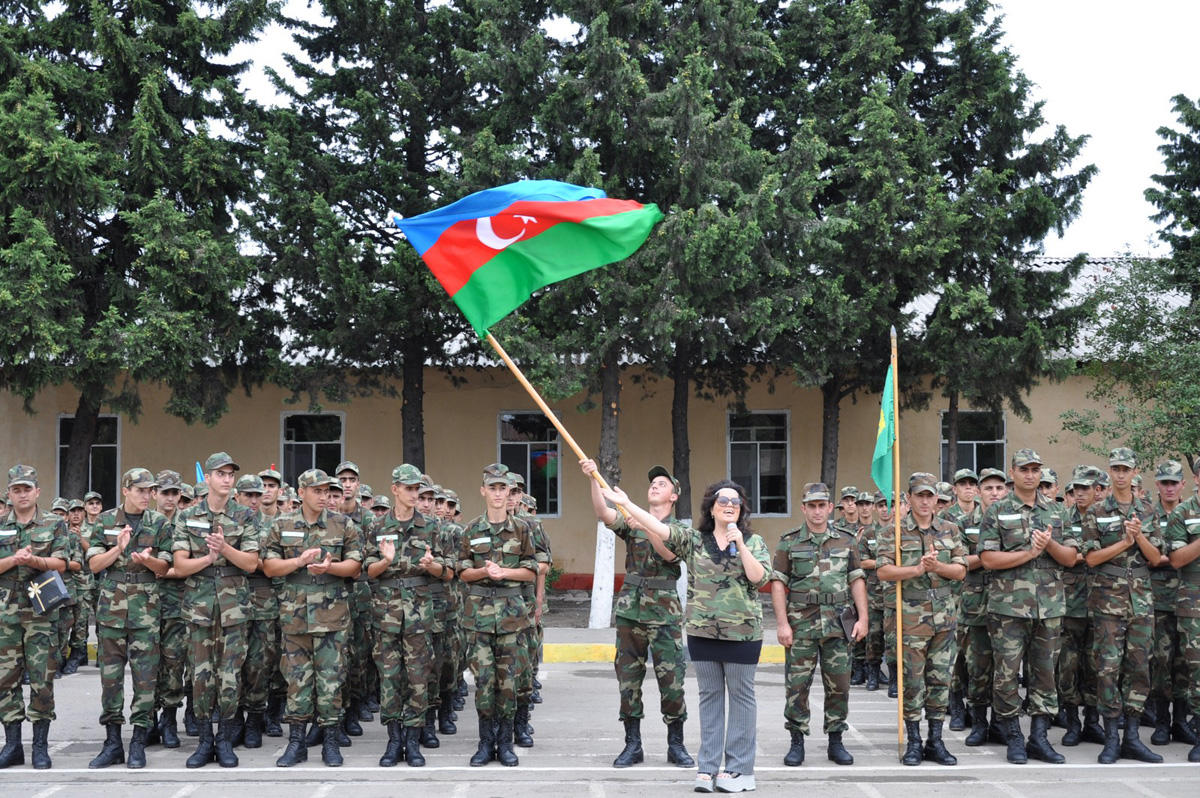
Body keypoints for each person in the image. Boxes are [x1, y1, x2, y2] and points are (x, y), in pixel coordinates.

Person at [602, 480, 771, 794]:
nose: (729, 505)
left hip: (743, 636)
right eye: (723, 500)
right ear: (711, 506)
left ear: (741, 508)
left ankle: (739, 771)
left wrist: (741, 544)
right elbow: (659, 528)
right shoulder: (694, 540)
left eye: (736, 501)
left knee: (742, 702)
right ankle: (707, 768)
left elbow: (758, 577)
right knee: (709, 701)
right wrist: (625, 503)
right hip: (702, 633)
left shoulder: (754, 541)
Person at [580, 459, 695, 769]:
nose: (654, 485)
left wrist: (640, 520)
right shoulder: (630, 519)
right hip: (631, 610)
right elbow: (603, 513)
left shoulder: (679, 528)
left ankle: (676, 744)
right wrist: (594, 478)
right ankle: (633, 744)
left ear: (673, 496)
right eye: (652, 482)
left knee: (671, 681)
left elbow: (668, 552)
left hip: (664, 614)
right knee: (628, 680)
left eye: (662, 483)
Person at [978, 449, 1078, 765]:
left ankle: (1039, 737)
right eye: (1024, 469)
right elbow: (988, 559)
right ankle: (1013, 737)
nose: (1031, 474)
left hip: (1048, 607)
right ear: (1014, 472)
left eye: (1036, 469)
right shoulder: (997, 511)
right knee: (1006, 675)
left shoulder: (1058, 512)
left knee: (1045, 674)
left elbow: (1071, 558)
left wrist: (1049, 545)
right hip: (1008, 609)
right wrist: (1029, 554)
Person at [264, 469, 363, 767]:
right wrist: (299, 561)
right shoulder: (281, 524)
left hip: (332, 615)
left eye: (327, 491)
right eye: (317, 491)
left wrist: (329, 568)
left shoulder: (343, 524)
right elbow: (269, 566)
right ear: (301, 491)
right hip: (294, 615)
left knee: (331, 680)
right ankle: (297, 742)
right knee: (296, 680)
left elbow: (355, 567)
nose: (323, 496)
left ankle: (330, 741)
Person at [172, 452, 261, 768]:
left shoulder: (245, 516)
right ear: (206, 478)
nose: (226, 479)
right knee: (200, 676)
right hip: (200, 607)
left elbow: (251, 563)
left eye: (230, 474)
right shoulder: (187, 516)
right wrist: (208, 560)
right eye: (220, 473)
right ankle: (204, 741)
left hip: (233, 607)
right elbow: (180, 565)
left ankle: (224, 740)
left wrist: (224, 549)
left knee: (229, 676)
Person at [771, 482, 868, 767]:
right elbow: (778, 584)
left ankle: (835, 741)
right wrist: (781, 624)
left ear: (829, 507)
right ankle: (797, 741)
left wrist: (863, 618)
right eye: (811, 506)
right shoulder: (789, 541)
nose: (816, 511)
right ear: (803, 508)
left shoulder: (846, 540)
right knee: (797, 685)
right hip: (801, 625)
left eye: (821, 505)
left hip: (838, 625)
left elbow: (857, 579)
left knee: (839, 685)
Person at [876, 472, 967, 767]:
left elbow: (961, 570)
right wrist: (916, 570)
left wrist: (937, 566)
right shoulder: (895, 531)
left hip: (944, 620)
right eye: (920, 496)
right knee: (913, 682)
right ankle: (914, 741)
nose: (926, 501)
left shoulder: (949, 529)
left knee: (940, 680)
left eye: (931, 496)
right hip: (910, 620)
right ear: (909, 498)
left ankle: (935, 741)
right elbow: (884, 571)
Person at [1080, 447, 1164, 764]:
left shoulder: (1147, 509)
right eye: (1115, 468)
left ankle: (1132, 737)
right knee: (1107, 668)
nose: (1120, 474)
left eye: (1125, 469)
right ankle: (1111, 738)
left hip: (1141, 596)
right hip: (1107, 597)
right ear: (1109, 472)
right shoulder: (1096, 511)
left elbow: (1156, 558)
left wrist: (1139, 537)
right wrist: (1124, 543)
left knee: (1140, 667)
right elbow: (1090, 558)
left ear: (1133, 472)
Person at [86, 468, 172, 769]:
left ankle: (138, 741)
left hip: (146, 610)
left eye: (150, 491)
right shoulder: (107, 521)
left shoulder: (159, 522)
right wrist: (118, 550)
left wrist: (148, 560)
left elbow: (165, 568)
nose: (147, 496)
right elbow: (95, 564)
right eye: (140, 490)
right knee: (110, 679)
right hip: (112, 608)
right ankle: (112, 743)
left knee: (145, 679)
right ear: (126, 490)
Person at [363, 464, 449, 767]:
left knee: (417, 679)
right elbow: (366, 572)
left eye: (417, 489)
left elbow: (449, 571)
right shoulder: (376, 527)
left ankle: (413, 742)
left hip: (418, 614)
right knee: (389, 679)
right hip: (386, 614)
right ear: (395, 489)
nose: (414, 494)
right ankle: (393, 740)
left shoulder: (432, 527)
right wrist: (385, 561)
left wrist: (432, 566)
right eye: (409, 488)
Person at [458, 464, 538, 768]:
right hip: (478, 618)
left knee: (508, 684)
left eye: (503, 488)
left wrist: (503, 572)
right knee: (484, 682)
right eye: (492, 488)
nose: (497, 494)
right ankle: (484, 743)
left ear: (510, 493)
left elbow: (531, 571)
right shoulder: (471, 530)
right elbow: (462, 572)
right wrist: (482, 572)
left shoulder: (522, 529)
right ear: (483, 491)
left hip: (511, 618)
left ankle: (505, 743)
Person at [0, 465, 69, 770]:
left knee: (42, 679)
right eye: (17, 490)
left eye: (27, 489)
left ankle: (40, 746)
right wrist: (13, 560)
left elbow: (64, 563)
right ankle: (13, 745)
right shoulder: (1, 524)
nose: (22, 494)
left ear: (37, 492)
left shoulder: (54, 524)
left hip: (42, 613)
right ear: (9, 494)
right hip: (7, 613)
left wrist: (35, 560)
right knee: (5, 680)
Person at [1146, 460, 1197, 747]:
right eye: (1164, 482)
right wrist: (1171, 556)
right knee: (1161, 662)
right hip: (1159, 599)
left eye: (1173, 482)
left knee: (1185, 664)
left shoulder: (1189, 512)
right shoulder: (1148, 513)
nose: (1169, 487)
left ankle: (1181, 721)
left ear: (1182, 484)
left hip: (1190, 598)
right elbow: (1147, 556)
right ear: (1157, 485)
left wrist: (1165, 555)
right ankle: (1162, 722)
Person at [1058, 466, 1105, 747]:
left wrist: (1086, 556)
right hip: (1071, 603)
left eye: (1086, 488)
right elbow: (1066, 555)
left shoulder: (1106, 518)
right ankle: (1072, 722)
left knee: (1096, 664)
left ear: (1097, 490)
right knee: (1068, 666)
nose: (1080, 493)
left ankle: (1092, 721)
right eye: (1076, 489)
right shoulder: (1063, 518)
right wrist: (1088, 555)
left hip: (1101, 602)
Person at [1165, 457, 1200, 762]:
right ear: (1197, 478)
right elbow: (1176, 560)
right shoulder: (1182, 513)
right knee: (1197, 670)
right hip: (1194, 601)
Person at [151, 470, 187, 748]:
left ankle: (171, 719)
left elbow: (191, 564)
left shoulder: (187, 524)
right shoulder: (146, 524)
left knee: (174, 663)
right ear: (155, 494)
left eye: (175, 493)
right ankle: (149, 719)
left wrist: (167, 571)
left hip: (178, 603)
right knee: (148, 664)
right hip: (146, 604)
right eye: (166, 493)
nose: (171, 498)